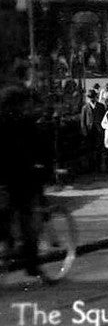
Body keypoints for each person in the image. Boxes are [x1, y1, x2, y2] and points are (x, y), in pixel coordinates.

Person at [0, 83, 51, 277]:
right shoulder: (25, 122)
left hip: (4, 176)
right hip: (20, 177)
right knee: (27, 216)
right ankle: (31, 263)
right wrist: (46, 170)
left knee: (7, 214)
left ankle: (8, 245)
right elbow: (40, 148)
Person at [79, 88, 106, 173]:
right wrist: (84, 132)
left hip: (98, 130)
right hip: (89, 131)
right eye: (90, 97)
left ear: (95, 97)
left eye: (93, 97)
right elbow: (83, 121)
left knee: (99, 149)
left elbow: (104, 118)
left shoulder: (101, 106)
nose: (91, 99)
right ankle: (91, 167)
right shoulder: (85, 107)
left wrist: (103, 129)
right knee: (89, 149)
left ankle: (98, 166)